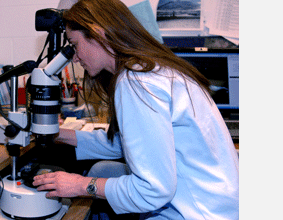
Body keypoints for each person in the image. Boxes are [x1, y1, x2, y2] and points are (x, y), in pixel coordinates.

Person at [32, 0, 239, 219]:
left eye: (75, 45)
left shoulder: (137, 82)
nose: (74, 57)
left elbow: (152, 190)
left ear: (99, 34)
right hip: (220, 202)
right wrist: (59, 134)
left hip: (197, 212)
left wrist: (82, 185)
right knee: (103, 170)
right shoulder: (151, 67)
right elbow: (133, 143)